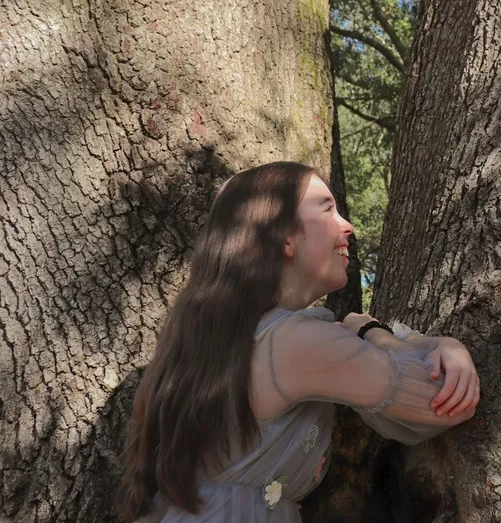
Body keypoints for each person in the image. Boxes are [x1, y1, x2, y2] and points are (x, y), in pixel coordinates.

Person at [117, 162, 480, 521]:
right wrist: (376, 332)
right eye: (328, 209)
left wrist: (441, 344)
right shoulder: (295, 342)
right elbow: (440, 401)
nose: (348, 226)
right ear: (284, 236)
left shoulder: (223, 341)